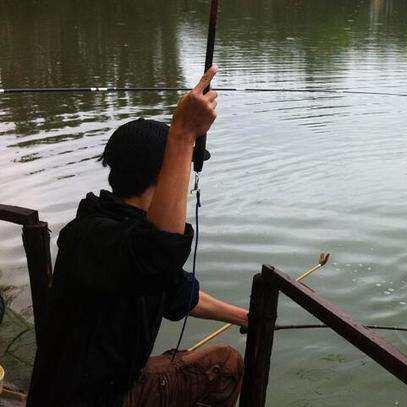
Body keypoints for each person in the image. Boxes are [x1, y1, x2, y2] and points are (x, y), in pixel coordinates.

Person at [27, 66, 247, 407]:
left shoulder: (116, 228)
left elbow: (180, 293)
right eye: (181, 167)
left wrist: (245, 317)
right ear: (165, 172)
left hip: (110, 385)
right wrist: (182, 136)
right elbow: (158, 253)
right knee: (225, 365)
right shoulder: (95, 238)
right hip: (91, 399)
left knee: (222, 359)